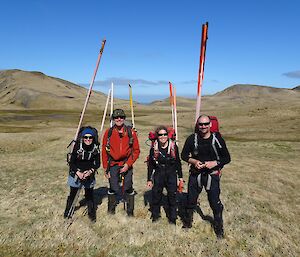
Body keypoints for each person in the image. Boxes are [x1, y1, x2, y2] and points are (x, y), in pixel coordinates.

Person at [181, 115, 231, 238]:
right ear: (197, 125)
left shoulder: (217, 139)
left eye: (205, 124)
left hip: (212, 175)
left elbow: (227, 158)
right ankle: (187, 224)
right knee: (190, 200)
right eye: (201, 124)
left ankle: (219, 229)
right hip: (195, 174)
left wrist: (214, 163)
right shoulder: (192, 139)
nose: (203, 126)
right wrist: (194, 162)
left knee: (214, 202)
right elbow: (183, 155)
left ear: (210, 125)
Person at [102, 109, 140, 216]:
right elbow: (104, 151)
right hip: (113, 164)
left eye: (121, 117)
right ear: (113, 119)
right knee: (113, 187)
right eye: (116, 117)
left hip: (126, 163)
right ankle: (111, 210)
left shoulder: (131, 132)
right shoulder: (108, 133)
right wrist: (105, 167)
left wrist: (128, 165)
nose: (119, 119)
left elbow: (136, 151)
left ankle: (130, 211)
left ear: (124, 118)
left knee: (128, 186)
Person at [147, 125, 183, 224]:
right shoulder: (154, 148)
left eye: (165, 134)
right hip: (158, 173)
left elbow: (178, 162)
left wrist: (180, 177)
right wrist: (149, 179)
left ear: (168, 135)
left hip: (171, 173)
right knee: (156, 195)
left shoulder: (173, 147)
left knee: (172, 196)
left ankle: (172, 218)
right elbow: (150, 164)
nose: (163, 136)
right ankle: (155, 215)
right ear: (157, 136)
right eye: (160, 135)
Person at [64, 127, 100, 222]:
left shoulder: (96, 148)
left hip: (89, 174)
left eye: (90, 137)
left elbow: (98, 163)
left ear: (93, 138)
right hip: (76, 173)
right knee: (73, 194)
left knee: (89, 195)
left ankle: (92, 216)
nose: (88, 139)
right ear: (82, 138)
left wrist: (90, 171)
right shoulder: (77, 147)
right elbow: (71, 163)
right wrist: (78, 173)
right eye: (86, 137)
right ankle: (67, 213)